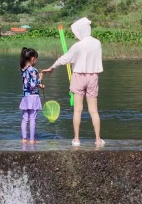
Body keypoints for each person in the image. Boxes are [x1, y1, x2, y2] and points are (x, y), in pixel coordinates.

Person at [41, 17, 104, 146]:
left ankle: (76, 139)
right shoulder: (97, 43)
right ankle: (98, 139)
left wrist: (52, 67)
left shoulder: (78, 45)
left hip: (79, 77)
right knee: (94, 111)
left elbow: (65, 59)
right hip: (93, 77)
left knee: (77, 111)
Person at [20, 47, 44, 143]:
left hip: (26, 96)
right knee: (33, 118)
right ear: (33, 58)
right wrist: (40, 79)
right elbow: (33, 85)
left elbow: (28, 83)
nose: (36, 61)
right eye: (36, 59)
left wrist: (39, 84)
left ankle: (24, 138)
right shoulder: (33, 70)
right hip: (33, 97)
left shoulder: (23, 70)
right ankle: (32, 139)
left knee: (25, 118)